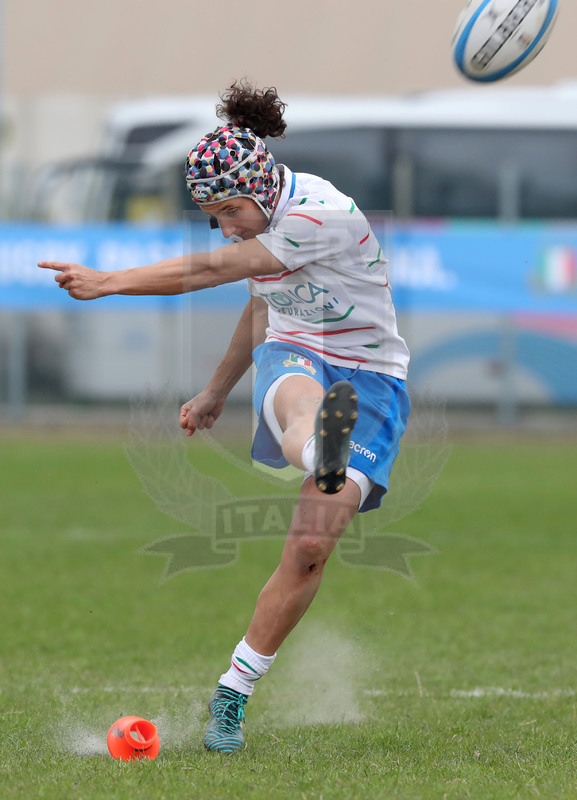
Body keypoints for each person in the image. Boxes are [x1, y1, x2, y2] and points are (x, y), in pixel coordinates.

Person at [38, 81, 411, 754]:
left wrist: (112, 280)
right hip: (296, 352)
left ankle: (233, 689)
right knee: (300, 405)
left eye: (230, 210)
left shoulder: (319, 212)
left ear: (263, 190)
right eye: (212, 215)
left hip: (373, 379)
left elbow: (213, 270)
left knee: (307, 549)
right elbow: (262, 304)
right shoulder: (263, 227)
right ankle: (318, 452)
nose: (226, 224)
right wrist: (215, 391)